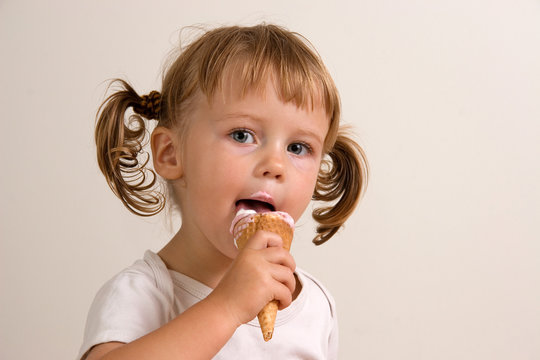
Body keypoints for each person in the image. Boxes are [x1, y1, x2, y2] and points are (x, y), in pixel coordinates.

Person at [79, 23, 369, 360]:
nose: (275, 164)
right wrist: (227, 307)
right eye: (243, 135)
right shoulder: (141, 295)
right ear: (171, 153)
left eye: (299, 147)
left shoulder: (316, 307)